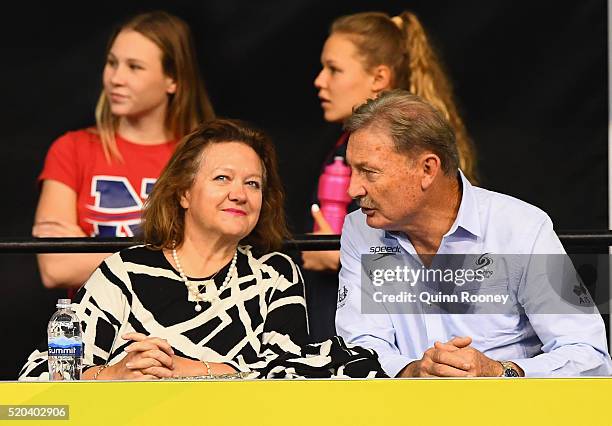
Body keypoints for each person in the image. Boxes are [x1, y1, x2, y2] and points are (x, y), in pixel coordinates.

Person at [19, 119, 386, 380]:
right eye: (222, 178)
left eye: (253, 184)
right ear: (183, 193)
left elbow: (290, 373)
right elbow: (42, 373)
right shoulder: (125, 271)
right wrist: (113, 375)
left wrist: (187, 369)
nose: (240, 194)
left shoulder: (273, 275)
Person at [335, 89, 612, 377]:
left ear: (427, 169)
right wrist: (412, 372)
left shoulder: (522, 227)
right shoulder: (360, 230)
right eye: (352, 171)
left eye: (369, 172)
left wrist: (498, 373)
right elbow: (360, 347)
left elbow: (589, 355)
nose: (353, 190)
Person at [302, 11, 478, 342]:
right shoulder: (339, 143)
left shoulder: (521, 226)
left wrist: (342, 257)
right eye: (354, 168)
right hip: (350, 330)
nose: (320, 80)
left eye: (335, 69)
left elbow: (444, 254)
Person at [33, 10, 215, 290]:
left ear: (173, 80)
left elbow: (215, 261)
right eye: (112, 63)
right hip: (92, 329)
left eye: (134, 67)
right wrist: (172, 251)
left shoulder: (203, 155)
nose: (116, 78)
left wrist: (88, 251)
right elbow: (56, 268)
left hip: (178, 329)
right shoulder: (71, 149)